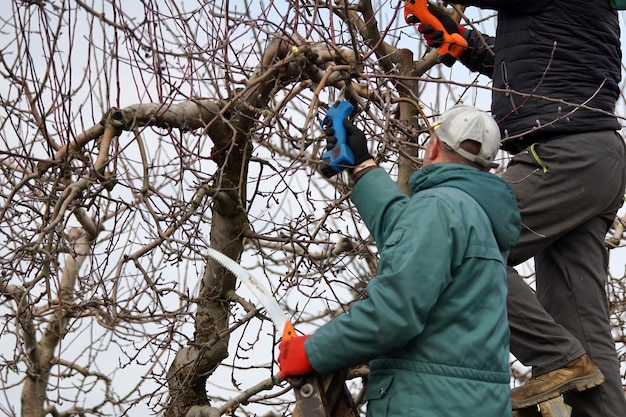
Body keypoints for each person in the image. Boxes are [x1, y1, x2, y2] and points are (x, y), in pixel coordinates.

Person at [414, 1, 626, 416]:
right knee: (579, 316)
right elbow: (540, 66)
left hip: (563, 155)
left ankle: (558, 358)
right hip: (594, 160)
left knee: (453, 239)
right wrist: (468, 46)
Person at [278, 105, 521, 416]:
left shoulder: (437, 208)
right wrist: (363, 164)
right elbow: (407, 239)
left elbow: (393, 314)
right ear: (487, 166)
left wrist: (311, 351)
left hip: (426, 405)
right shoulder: (477, 214)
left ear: (432, 145)